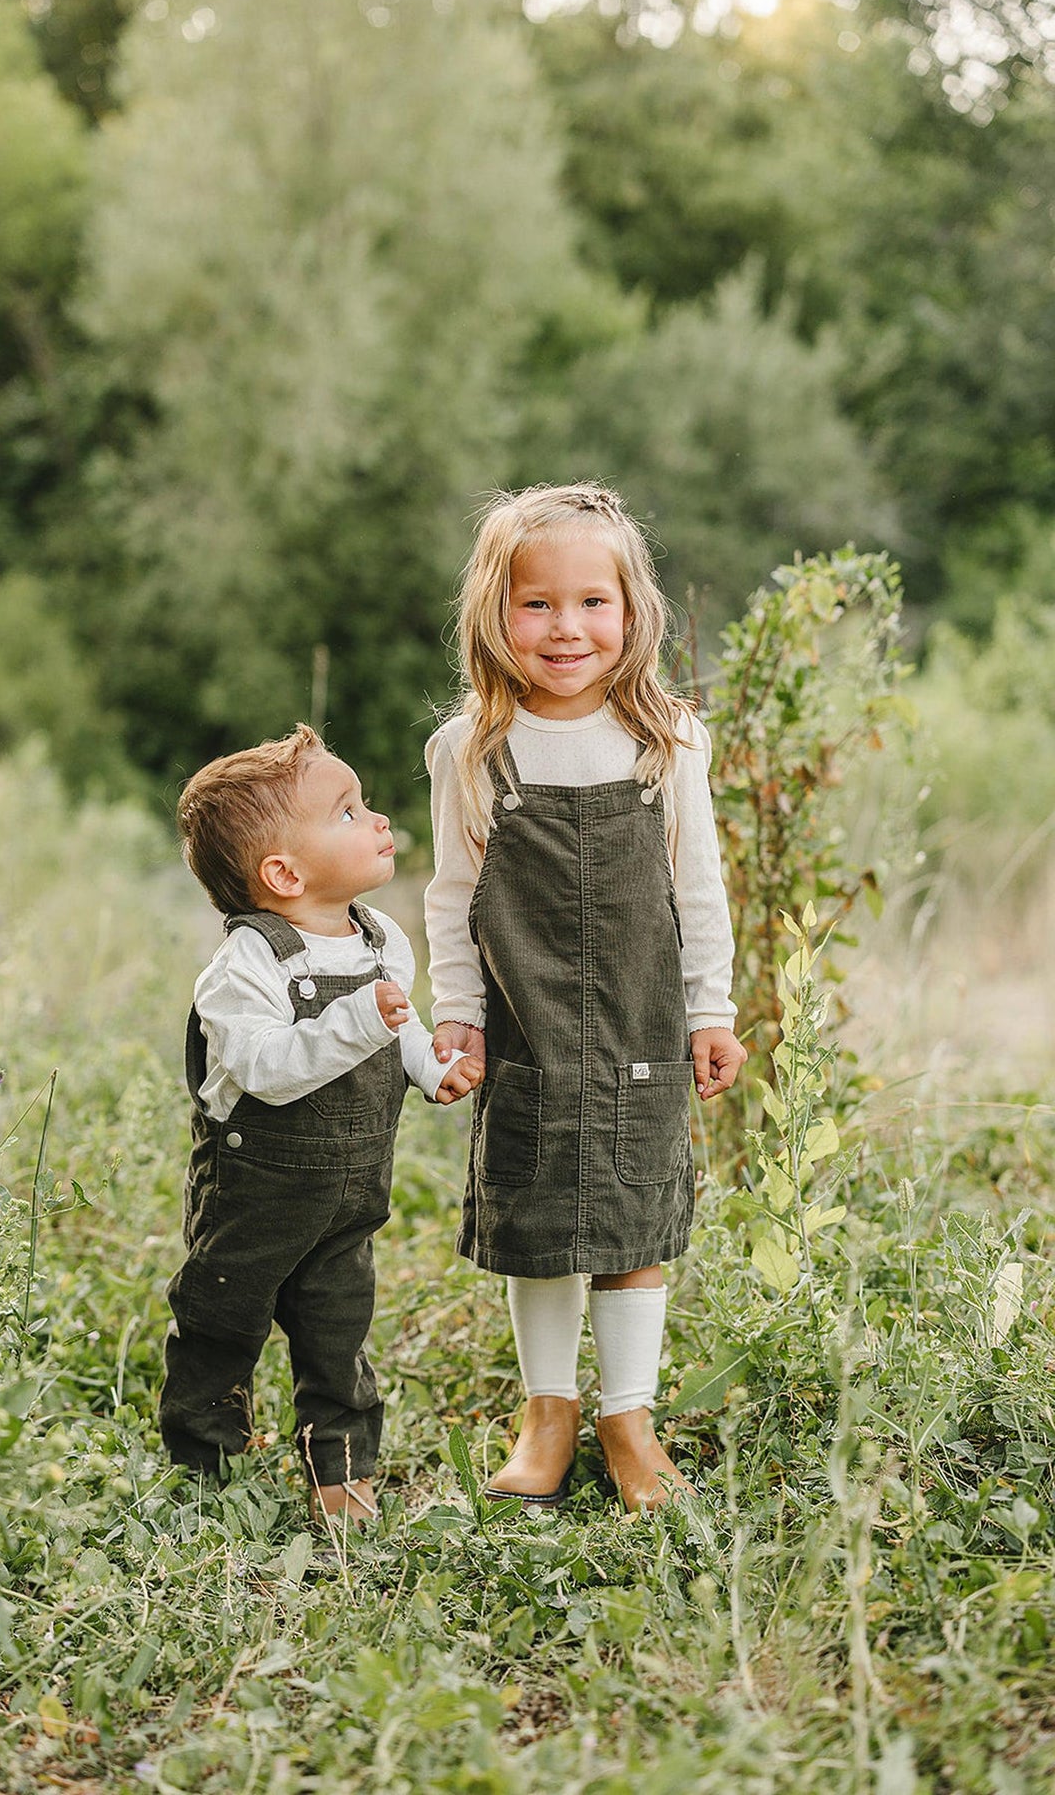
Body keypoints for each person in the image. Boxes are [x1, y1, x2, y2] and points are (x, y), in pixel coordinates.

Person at [424, 483, 746, 1512]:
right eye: (538, 604)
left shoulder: (666, 742)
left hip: (645, 1020)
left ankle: (629, 1419)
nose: (567, 628)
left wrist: (712, 1011)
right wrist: (457, 1014)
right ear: (495, 613)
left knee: (631, 1224)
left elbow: (699, 889)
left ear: (631, 610)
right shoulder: (470, 749)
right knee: (539, 1214)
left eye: (591, 603)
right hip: (526, 1026)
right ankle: (549, 1410)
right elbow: (451, 896)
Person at [159, 724, 482, 1527]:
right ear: (283, 871)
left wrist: (430, 1066)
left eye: (365, 803)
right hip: (257, 1193)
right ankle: (206, 1466)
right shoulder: (247, 967)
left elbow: (398, 1026)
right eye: (347, 811)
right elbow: (267, 1069)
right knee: (221, 1321)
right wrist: (363, 1025)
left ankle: (339, 1472)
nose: (376, 820)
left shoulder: (380, 940)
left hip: (350, 1194)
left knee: (339, 1330)